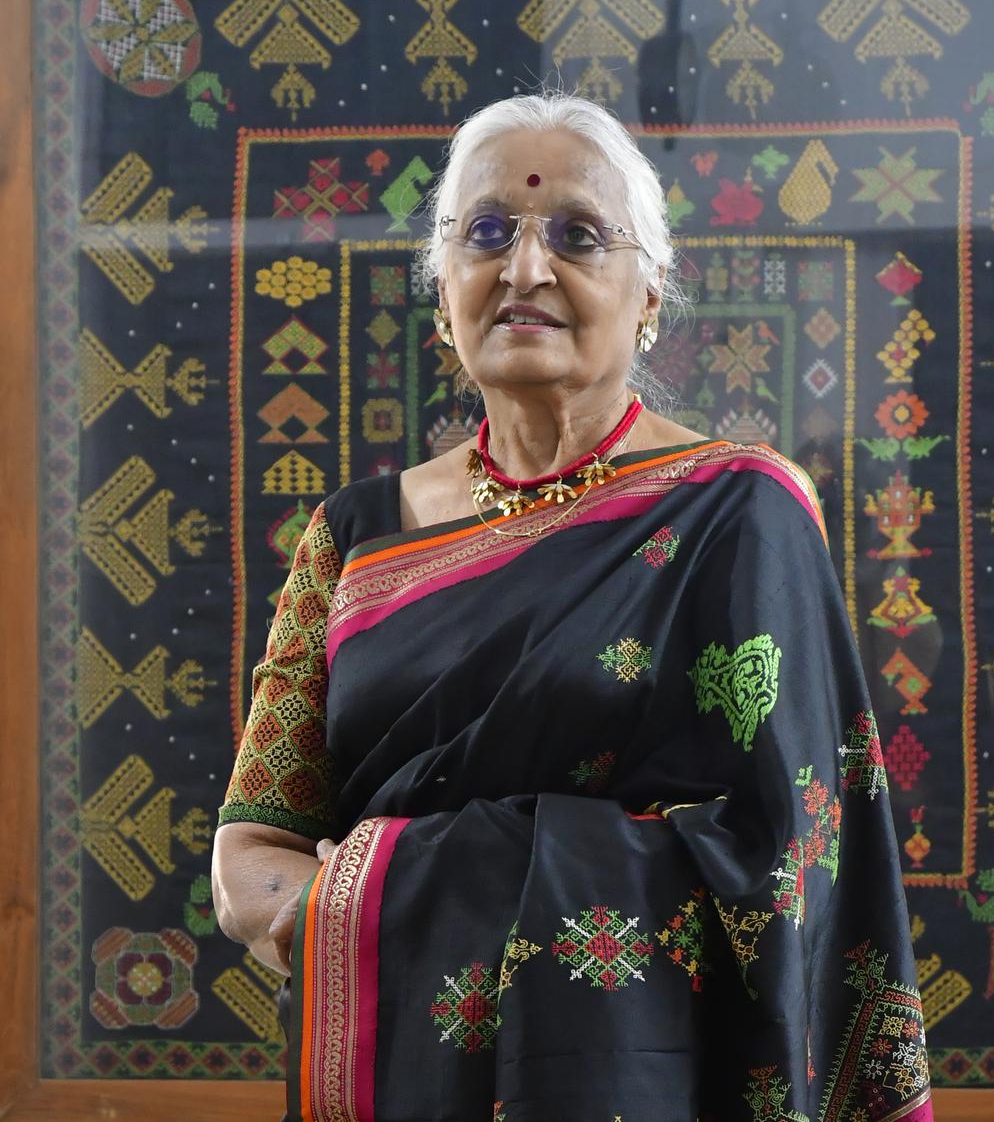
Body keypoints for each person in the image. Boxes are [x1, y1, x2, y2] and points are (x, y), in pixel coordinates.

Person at [212, 92, 932, 1122]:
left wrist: (384, 884)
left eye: (579, 235)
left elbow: (797, 858)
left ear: (649, 293)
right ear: (442, 283)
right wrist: (366, 906)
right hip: (393, 1081)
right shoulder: (353, 536)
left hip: (649, 1080)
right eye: (488, 231)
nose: (527, 269)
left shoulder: (738, 511)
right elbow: (250, 857)